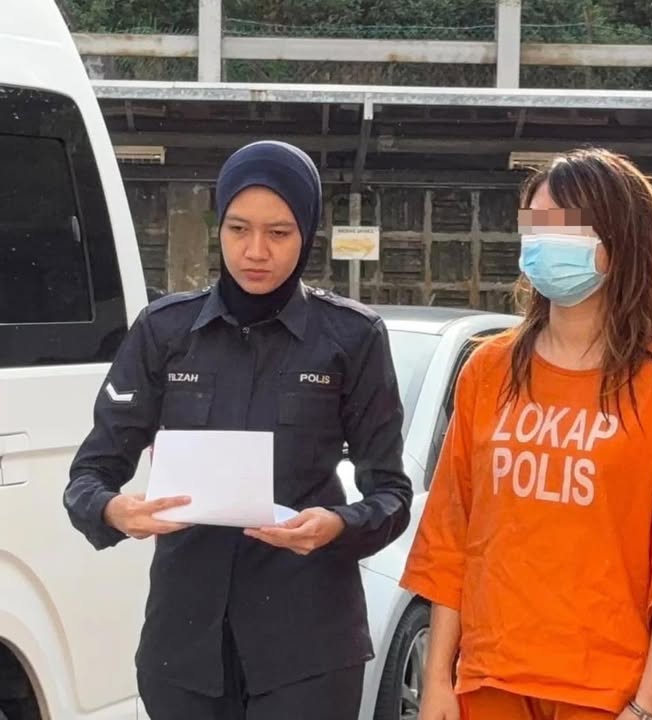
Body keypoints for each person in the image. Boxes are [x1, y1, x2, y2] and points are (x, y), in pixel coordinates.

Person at [64, 141, 413, 720]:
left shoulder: (352, 338)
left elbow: (392, 495)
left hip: (308, 650)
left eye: (279, 233)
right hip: (185, 650)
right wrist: (113, 510)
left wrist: (338, 525)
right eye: (238, 229)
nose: (255, 251)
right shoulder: (164, 331)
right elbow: (90, 473)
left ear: (307, 234)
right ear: (219, 227)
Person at [400, 148, 652, 720]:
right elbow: (451, 535)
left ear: (621, 239)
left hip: (609, 692)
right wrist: (438, 682)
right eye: (536, 226)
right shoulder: (488, 369)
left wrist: (650, 704)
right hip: (490, 679)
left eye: (567, 226)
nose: (546, 243)